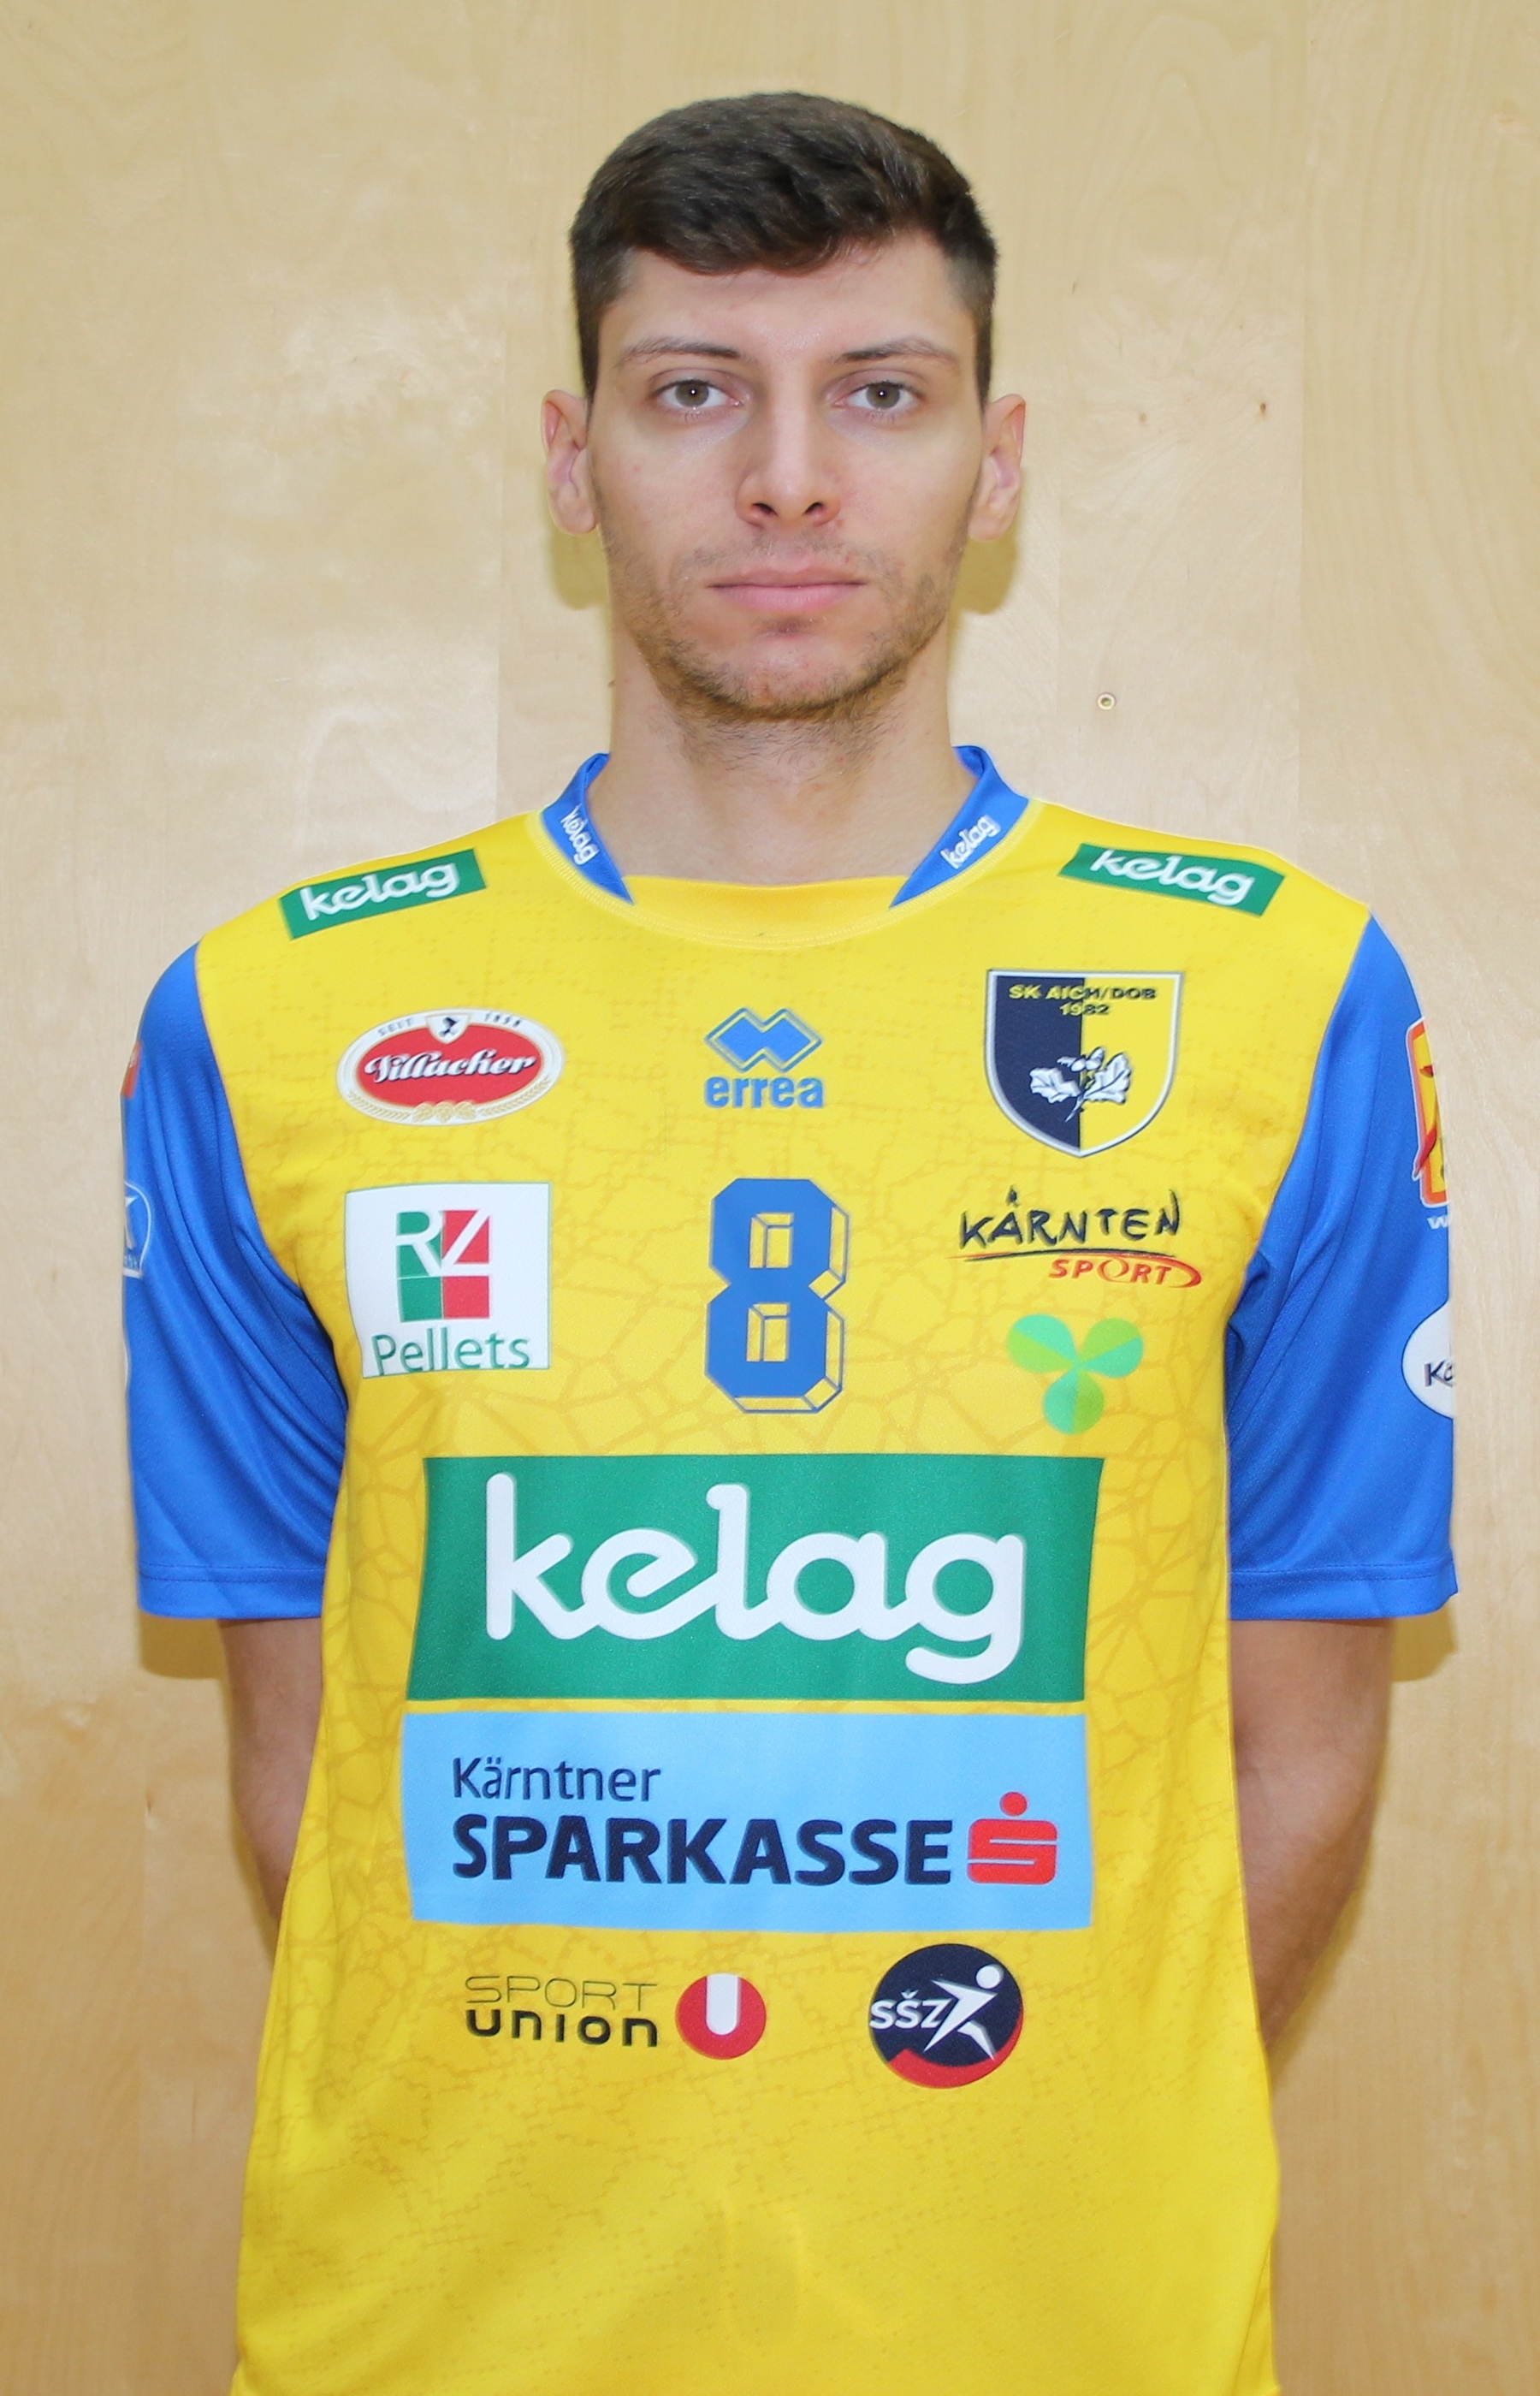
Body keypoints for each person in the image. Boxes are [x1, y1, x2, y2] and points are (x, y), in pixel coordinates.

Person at [122, 91, 1455, 2396]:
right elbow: (314, 1771)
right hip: (441, 2340)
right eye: (693, 392)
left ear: (997, 465)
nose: (788, 480)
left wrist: (1013, 2147)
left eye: (882, 394)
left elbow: (1303, 1752)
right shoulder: (268, 1020)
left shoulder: (1284, 996)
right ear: (573, 463)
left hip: (1074, 2338)